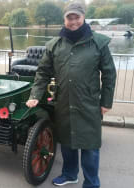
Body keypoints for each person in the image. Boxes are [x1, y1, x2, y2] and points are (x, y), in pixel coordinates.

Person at [26, 2, 116, 188]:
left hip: (89, 104)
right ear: (64, 19)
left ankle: (91, 183)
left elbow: (109, 74)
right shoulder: (54, 45)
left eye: (77, 17)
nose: (73, 21)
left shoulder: (98, 43)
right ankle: (69, 174)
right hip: (64, 103)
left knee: (90, 147)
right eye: (70, 17)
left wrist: (106, 102)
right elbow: (42, 73)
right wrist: (35, 94)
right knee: (66, 143)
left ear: (83, 17)